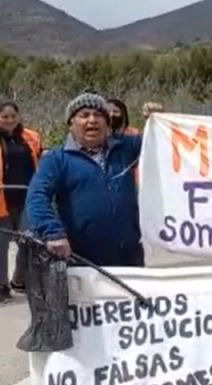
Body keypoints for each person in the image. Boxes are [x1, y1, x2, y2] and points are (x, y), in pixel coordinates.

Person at [27, 92, 143, 267]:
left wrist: (159, 118)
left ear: (107, 123)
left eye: (98, 115)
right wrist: (52, 232)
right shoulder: (56, 159)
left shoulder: (126, 148)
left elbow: (164, 140)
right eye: (84, 115)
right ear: (71, 124)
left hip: (131, 257)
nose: (92, 120)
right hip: (81, 259)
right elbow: (37, 196)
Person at [0, 102, 40, 302]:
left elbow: (40, 161)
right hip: (2, 200)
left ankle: (20, 279)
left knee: (29, 240)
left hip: (27, 197)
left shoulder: (30, 137)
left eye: (12, 116)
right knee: (1, 245)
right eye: (4, 116)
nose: (9, 120)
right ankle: (1, 286)